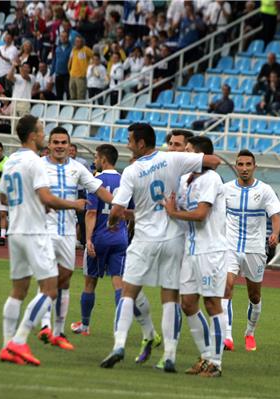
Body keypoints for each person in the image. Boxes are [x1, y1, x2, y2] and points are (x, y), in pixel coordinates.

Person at [100, 123, 221, 371]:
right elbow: (214, 160)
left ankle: (119, 345)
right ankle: (169, 355)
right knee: (170, 298)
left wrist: (113, 221)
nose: (127, 144)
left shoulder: (133, 171)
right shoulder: (173, 159)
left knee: (127, 292)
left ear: (141, 143)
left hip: (144, 238)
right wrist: (194, 160)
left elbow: (116, 209)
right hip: (173, 238)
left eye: (130, 140)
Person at [0, 114, 86, 366]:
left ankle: (6, 346)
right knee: (49, 288)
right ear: (33, 135)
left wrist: (29, 204)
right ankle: (20, 339)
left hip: (15, 232)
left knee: (18, 291)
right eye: (41, 130)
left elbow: (4, 198)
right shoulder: (35, 162)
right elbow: (47, 198)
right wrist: (74, 204)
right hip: (35, 232)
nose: (43, 134)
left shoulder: (11, 160)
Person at [71, 144, 161, 364]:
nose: (94, 161)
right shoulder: (125, 179)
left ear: (103, 159)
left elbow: (91, 212)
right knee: (120, 285)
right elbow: (130, 211)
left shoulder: (96, 180)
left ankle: (84, 324)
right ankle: (122, 329)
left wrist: (88, 239)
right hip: (119, 239)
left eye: (96, 157)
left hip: (100, 237)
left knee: (90, 283)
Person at [36, 127, 113, 351]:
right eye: (55, 142)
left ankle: (59, 330)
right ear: (49, 145)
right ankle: (45, 326)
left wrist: (119, 204)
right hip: (45, 230)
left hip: (69, 232)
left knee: (66, 280)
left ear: (69, 146)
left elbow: (99, 190)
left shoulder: (77, 168)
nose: (59, 146)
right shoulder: (39, 166)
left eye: (63, 142)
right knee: (48, 278)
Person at [162, 136, 227, 377]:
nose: (184, 156)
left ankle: (216, 363)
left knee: (212, 304)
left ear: (199, 156)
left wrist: (174, 212)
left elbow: (200, 214)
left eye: (188, 151)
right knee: (188, 303)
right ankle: (205, 356)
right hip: (190, 250)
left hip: (210, 251)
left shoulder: (211, 179)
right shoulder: (184, 180)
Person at [221, 150, 280, 352]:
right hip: (229, 246)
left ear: (254, 167)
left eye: (248, 164)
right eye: (241, 164)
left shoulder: (265, 190)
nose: (244, 168)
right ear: (236, 166)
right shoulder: (225, 189)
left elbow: (275, 215)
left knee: (254, 296)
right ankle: (227, 336)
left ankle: (249, 332)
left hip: (254, 249)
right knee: (226, 286)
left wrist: (275, 233)